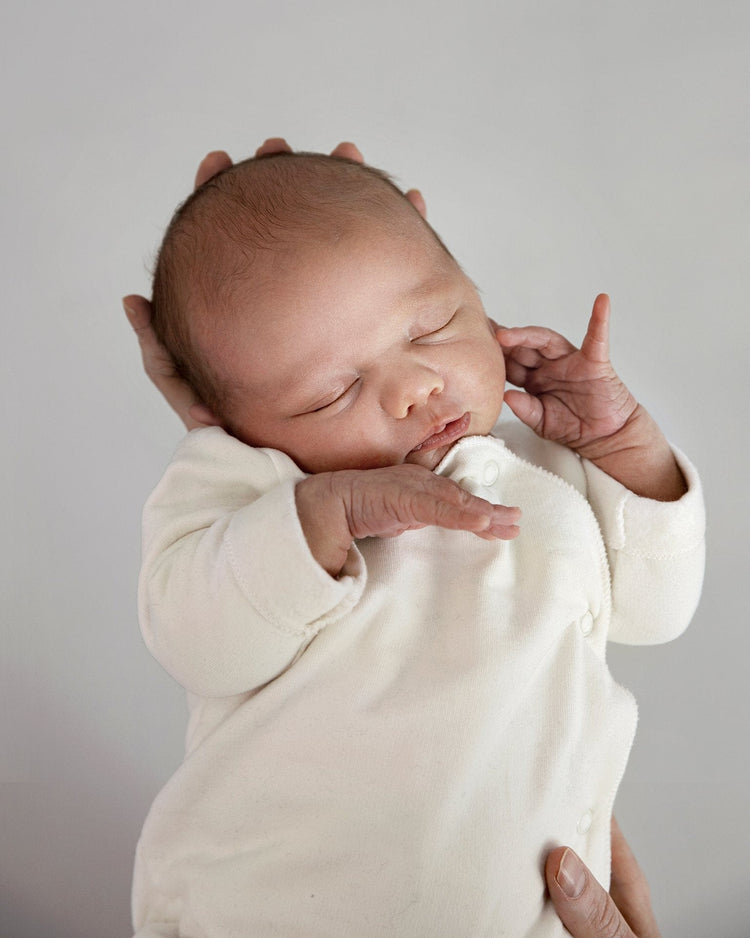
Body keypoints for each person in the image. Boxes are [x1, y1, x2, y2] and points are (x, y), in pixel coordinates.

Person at [125, 139, 703, 937]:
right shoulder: (246, 485)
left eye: (430, 327)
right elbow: (194, 638)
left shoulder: (541, 470)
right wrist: (331, 515)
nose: (414, 387)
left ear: (468, 280)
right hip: (269, 903)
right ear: (232, 424)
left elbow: (655, 610)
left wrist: (623, 448)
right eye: (333, 393)